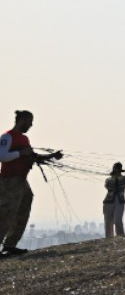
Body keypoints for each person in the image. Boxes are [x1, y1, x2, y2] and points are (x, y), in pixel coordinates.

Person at [0, 110, 63, 257]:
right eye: (29, 121)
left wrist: (52, 156)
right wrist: (20, 154)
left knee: (23, 210)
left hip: (21, 180)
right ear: (22, 120)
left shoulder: (24, 139)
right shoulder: (7, 137)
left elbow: (32, 156)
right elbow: (2, 156)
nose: (31, 125)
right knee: (6, 214)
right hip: (8, 181)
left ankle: (10, 245)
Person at [102, 162, 125, 238]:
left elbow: (123, 185)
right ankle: (109, 238)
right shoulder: (109, 179)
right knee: (108, 221)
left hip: (120, 201)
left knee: (118, 220)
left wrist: (117, 178)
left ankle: (120, 237)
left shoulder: (124, 178)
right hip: (108, 201)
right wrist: (114, 177)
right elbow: (108, 186)